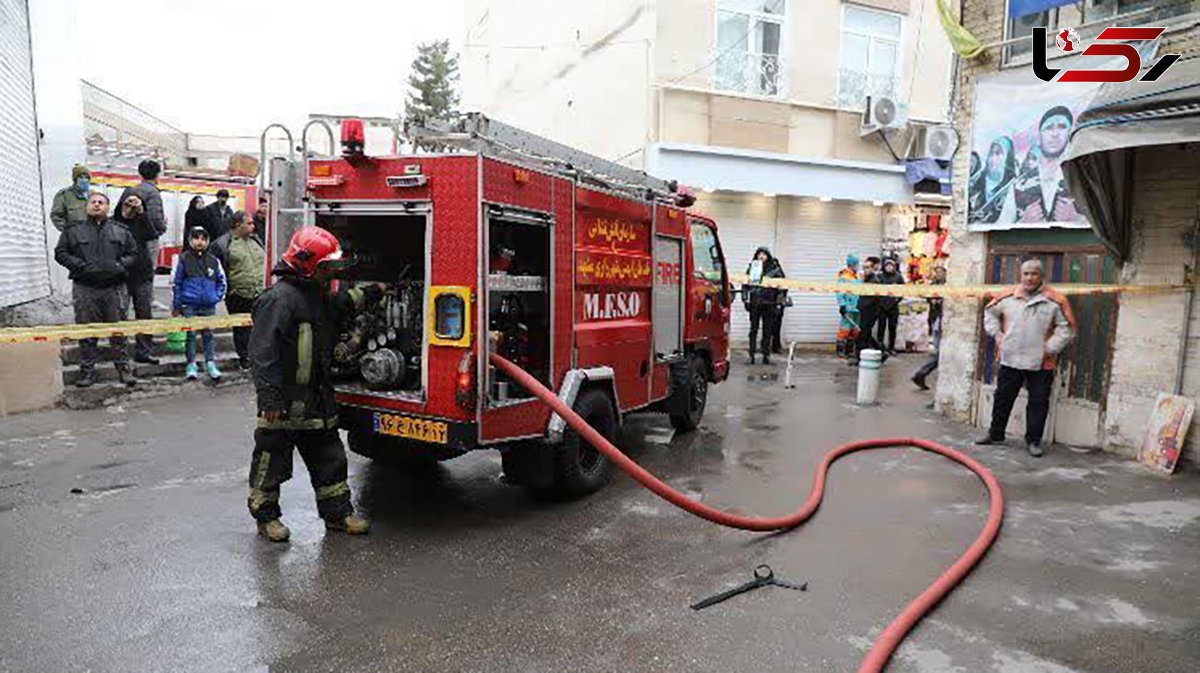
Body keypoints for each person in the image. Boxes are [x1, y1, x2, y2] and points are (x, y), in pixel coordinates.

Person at [247, 227, 385, 542]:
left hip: (317, 399)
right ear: (310, 264)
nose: (331, 270)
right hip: (282, 403)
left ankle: (338, 515)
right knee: (271, 462)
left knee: (329, 460)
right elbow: (263, 353)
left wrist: (375, 291)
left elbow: (341, 304)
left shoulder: (314, 295)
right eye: (326, 265)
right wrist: (269, 399)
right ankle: (266, 517)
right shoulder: (278, 300)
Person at [977, 259, 1076, 457]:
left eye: (1034, 274)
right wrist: (996, 334)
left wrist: (1048, 349)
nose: (1030, 278)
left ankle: (1033, 441)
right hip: (1010, 357)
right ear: (1020, 276)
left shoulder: (1056, 300)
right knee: (1003, 398)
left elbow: (1067, 329)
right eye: (1026, 274)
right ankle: (995, 434)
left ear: (1041, 276)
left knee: (1038, 403)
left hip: (1042, 362)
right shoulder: (1006, 296)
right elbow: (990, 313)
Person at [53, 192, 139, 388]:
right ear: (87, 206)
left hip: (114, 289)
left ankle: (123, 368)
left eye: (101, 202)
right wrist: (80, 266)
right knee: (87, 332)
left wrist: (119, 265)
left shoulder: (121, 231)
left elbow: (133, 253)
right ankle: (88, 372)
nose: (97, 205)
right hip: (85, 289)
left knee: (118, 332)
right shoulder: (73, 231)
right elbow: (60, 253)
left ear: (108, 208)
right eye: (93, 202)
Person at [115, 160, 167, 365]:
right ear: (157, 175)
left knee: (123, 310)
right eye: (128, 204)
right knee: (142, 309)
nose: (131, 206)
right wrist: (160, 226)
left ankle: (124, 353)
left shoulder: (131, 192)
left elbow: (142, 223)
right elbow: (156, 226)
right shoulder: (153, 193)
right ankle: (142, 351)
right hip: (140, 263)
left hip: (130, 267)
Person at [999, 106, 1079, 224]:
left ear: (1069, 134)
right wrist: (1023, 223)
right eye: (1048, 128)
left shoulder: (1082, 181)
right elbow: (1001, 230)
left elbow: (1107, 227)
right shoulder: (1019, 185)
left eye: (1062, 127)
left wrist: (1077, 219)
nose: (1055, 134)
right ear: (1039, 135)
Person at [213, 211, 265, 370]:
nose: (253, 226)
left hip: (259, 292)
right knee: (241, 328)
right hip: (237, 293)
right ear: (237, 225)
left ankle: (258, 356)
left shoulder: (256, 241)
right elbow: (216, 269)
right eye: (249, 223)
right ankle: (245, 358)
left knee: (259, 327)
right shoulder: (223, 244)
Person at [173, 227, 226, 381]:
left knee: (208, 334)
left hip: (208, 305)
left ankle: (210, 363)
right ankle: (191, 364)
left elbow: (221, 281)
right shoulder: (183, 259)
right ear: (190, 240)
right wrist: (177, 305)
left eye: (203, 238)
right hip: (189, 304)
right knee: (190, 335)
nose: (199, 242)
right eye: (196, 238)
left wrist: (215, 297)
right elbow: (177, 283)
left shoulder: (213, 261)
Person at [742, 247, 784, 364]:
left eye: (764, 254)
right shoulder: (752, 268)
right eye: (759, 254)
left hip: (769, 303)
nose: (761, 256)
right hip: (755, 303)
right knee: (753, 330)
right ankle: (751, 355)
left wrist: (779, 303)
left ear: (768, 256)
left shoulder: (775, 270)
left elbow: (781, 287)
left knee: (768, 331)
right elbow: (745, 285)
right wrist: (745, 300)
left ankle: (766, 355)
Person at [912, 266, 946, 391]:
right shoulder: (932, 285)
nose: (938, 274)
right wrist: (932, 299)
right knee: (940, 354)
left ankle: (922, 374)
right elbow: (926, 296)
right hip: (937, 320)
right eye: (936, 272)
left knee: (940, 354)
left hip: (942, 320)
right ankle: (921, 374)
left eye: (941, 272)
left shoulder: (948, 285)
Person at [969, 137, 1017, 225]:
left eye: (998, 153)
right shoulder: (975, 184)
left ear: (1008, 157)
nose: (993, 158)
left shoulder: (1014, 187)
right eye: (991, 153)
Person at [852, 256, 883, 365]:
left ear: (873, 268)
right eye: (864, 267)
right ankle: (882, 352)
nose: (865, 270)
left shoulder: (874, 280)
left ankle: (860, 357)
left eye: (868, 267)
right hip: (864, 310)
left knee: (863, 334)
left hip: (870, 311)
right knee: (866, 333)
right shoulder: (865, 279)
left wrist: (862, 283)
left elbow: (870, 298)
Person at [874, 258, 905, 355]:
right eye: (887, 265)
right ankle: (880, 347)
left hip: (893, 306)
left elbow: (903, 289)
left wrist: (897, 299)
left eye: (891, 265)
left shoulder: (898, 277)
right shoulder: (879, 276)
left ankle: (891, 347)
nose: (889, 267)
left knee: (892, 328)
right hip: (881, 306)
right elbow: (874, 289)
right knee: (881, 327)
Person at [50, 164, 92, 232]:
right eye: (81, 177)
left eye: (87, 177)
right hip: (74, 238)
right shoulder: (64, 195)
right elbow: (56, 216)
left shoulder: (94, 196)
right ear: (75, 180)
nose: (84, 180)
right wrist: (68, 231)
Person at [835, 254, 861, 358]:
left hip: (857, 308)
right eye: (856, 264)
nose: (858, 266)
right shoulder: (844, 277)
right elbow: (839, 293)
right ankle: (840, 351)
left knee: (854, 330)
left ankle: (849, 351)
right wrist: (842, 305)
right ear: (852, 265)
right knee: (844, 329)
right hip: (849, 307)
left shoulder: (856, 277)